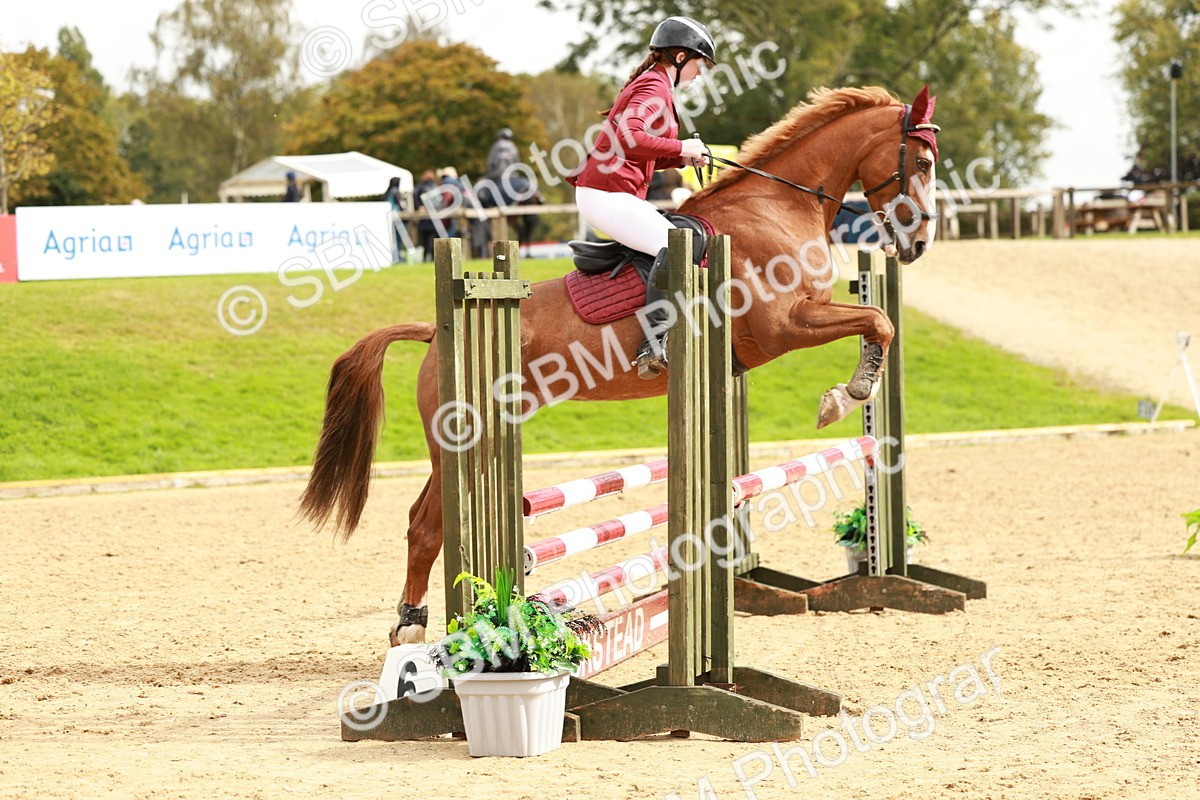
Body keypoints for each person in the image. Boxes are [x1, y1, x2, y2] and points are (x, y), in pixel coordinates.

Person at [567, 15, 716, 378]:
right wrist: (682, 144)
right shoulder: (654, 87)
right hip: (606, 193)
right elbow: (631, 138)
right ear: (680, 57)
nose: (700, 74)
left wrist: (682, 155)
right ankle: (652, 344)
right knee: (678, 248)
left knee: (683, 244)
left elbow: (639, 149)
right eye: (699, 64)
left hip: (612, 192)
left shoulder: (657, 85)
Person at [414, 169, 439, 261]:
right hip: (434, 219)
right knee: (433, 239)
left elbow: (415, 196)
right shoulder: (435, 186)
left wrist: (419, 206)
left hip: (425, 219)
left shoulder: (420, 187)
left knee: (425, 240)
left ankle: (425, 258)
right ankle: (433, 258)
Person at [382, 176, 407, 263]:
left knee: (391, 238)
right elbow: (401, 204)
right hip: (396, 217)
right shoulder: (395, 191)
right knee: (397, 238)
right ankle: (397, 257)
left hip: (388, 217)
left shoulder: (387, 192)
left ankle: (394, 256)